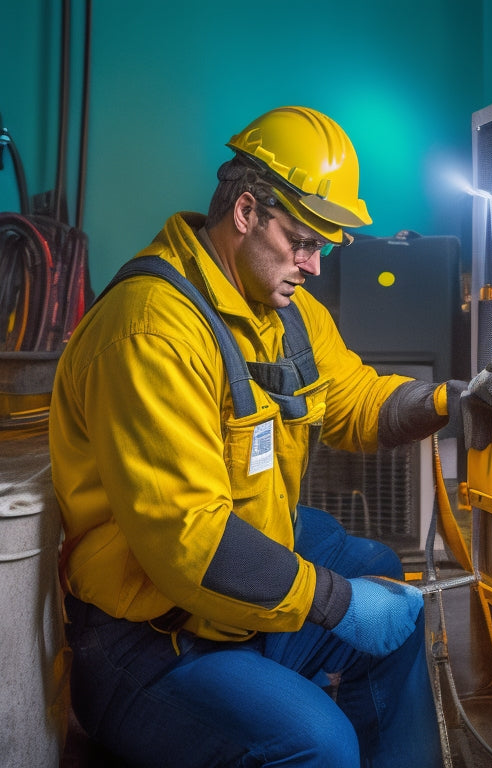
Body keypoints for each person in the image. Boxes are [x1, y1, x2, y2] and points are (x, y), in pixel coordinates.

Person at [50, 105, 463, 768]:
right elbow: (193, 542)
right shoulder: (152, 331)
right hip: (150, 643)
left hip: (235, 613)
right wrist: (333, 601)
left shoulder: (282, 308)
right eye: (303, 240)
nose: (314, 264)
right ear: (245, 212)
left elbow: (355, 399)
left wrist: (452, 401)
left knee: (389, 597)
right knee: (315, 741)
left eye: (324, 245)